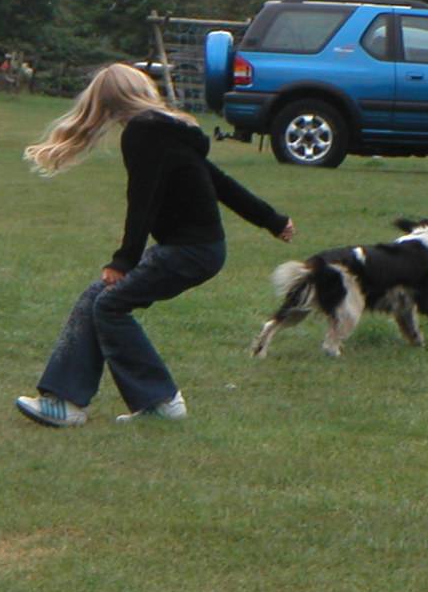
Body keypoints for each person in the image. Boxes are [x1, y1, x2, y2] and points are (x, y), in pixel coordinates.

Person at [15, 64, 295, 427]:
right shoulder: (169, 131)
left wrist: (124, 260)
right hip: (198, 250)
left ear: (105, 101)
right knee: (97, 298)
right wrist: (272, 220)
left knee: (111, 306)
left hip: (189, 251)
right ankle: (65, 402)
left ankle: (160, 401)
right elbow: (220, 183)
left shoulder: (144, 133)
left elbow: (142, 200)